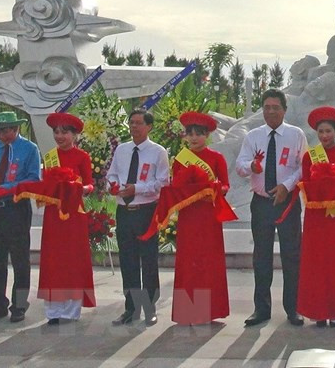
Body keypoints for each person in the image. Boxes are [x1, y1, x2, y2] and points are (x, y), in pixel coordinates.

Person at [236, 88, 307, 327]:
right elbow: (240, 165)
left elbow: (303, 166)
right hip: (262, 202)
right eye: (266, 107)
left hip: (287, 202)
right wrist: (251, 168)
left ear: (284, 110)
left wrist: (286, 186)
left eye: (275, 107)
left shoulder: (296, 134)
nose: (271, 111)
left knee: (291, 255)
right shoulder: (253, 136)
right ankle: (261, 309)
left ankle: (294, 308)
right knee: (261, 256)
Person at [0, 111, 41, 323]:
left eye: (4, 130)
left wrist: (5, 188)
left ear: (15, 129)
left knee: (20, 260)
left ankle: (19, 305)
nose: (0, 135)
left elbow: (33, 179)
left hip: (16, 208)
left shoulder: (29, 149)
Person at [106, 108, 170, 326]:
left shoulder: (158, 152)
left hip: (145, 211)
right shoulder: (122, 150)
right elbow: (112, 173)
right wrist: (112, 185)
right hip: (124, 211)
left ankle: (150, 308)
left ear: (149, 126)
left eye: (139, 123)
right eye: (131, 123)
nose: (134, 126)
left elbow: (162, 183)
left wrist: (138, 189)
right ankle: (130, 308)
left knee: (148, 260)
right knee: (128, 260)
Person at [297, 106, 335, 327]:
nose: (324, 136)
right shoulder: (309, 157)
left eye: (328, 131)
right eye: (321, 132)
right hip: (315, 217)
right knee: (316, 262)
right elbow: (306, 184)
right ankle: (317, 310)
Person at [170, 111, 230, 325]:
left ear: (207, 135)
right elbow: (175, 186)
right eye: (190, 134)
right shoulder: (181, 159)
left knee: (208, 263)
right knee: (188, 262)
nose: (194, 138)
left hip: (208, 217)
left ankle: (209, 311)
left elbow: (225, 185)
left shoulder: (216, 158)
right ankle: (188, 312)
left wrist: (216, 189)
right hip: (188, 217)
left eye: (199, 134)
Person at [38, 113, 95, 324]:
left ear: (74, 134)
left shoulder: (82, 157)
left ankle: (71, 311)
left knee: (72, 259)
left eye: (65, 132)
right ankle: (53, 311)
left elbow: (90, 185)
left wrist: (78, 187)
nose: (59, 136)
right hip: (53, 214)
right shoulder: (49, 157)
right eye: (56, 132)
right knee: (53, 260)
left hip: (74, 214)